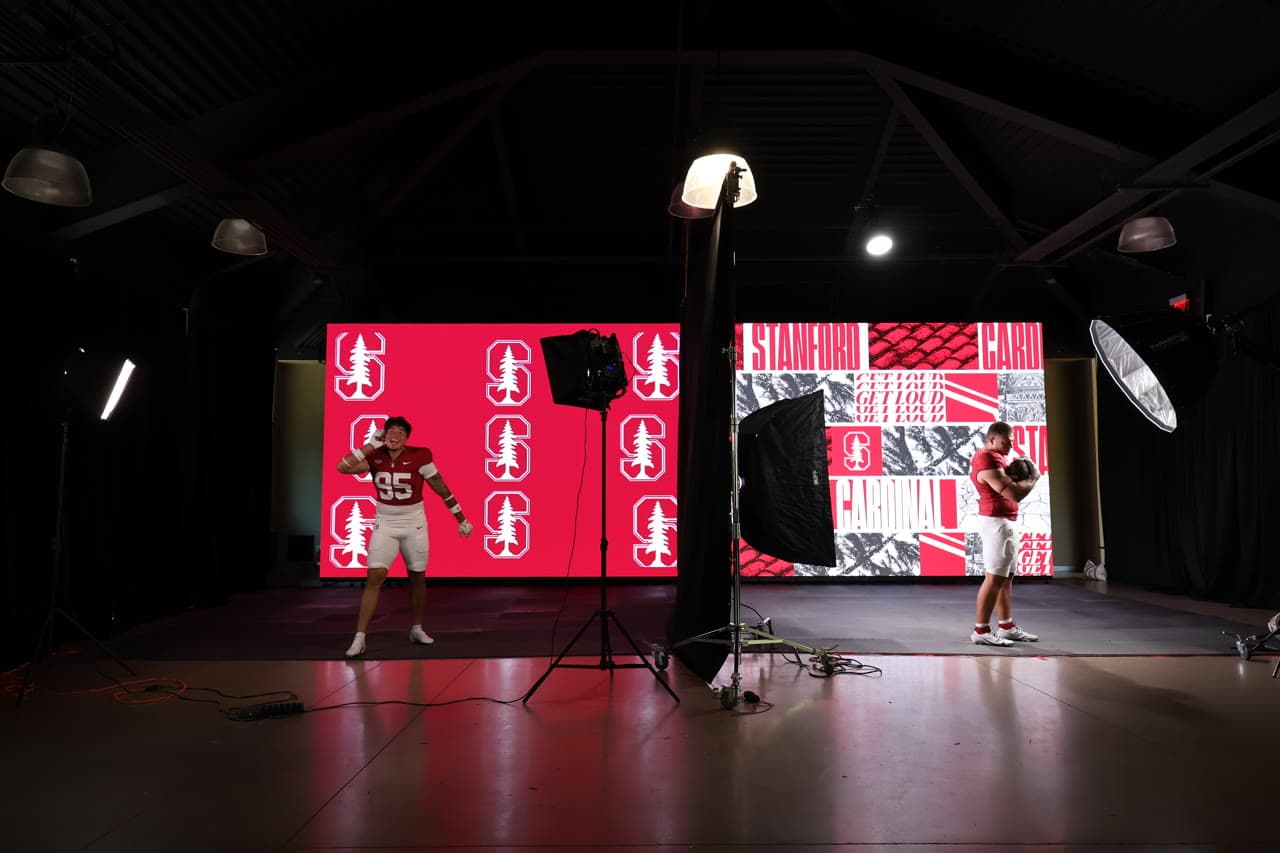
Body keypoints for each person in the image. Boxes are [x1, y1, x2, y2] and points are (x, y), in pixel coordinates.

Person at [335, 416, 473, 658]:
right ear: (383, 434)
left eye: (400, 431)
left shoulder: (420, 455)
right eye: (390, 430)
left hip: (414, 523)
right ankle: (360, 637)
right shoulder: (375, 455)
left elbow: (440, 485)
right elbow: (342, 467)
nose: (394, 434)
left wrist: (460, 517)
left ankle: (417, 628)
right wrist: (369, 445)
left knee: (417, 576)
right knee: (375, 575)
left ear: (406, 437)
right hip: (385, 521)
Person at [969, 421, 1041, 646]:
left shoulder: (998, 458)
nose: (1010, 446)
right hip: (996, 524)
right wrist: (1032, 478)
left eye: (1011, 442)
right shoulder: (987, 458)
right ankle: (981, 630)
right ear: (991, 440)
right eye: (1005, 442)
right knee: (995, 577)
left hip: (1004, 523)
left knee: (1006, 578)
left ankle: (1006, 627)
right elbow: (1013, 494)